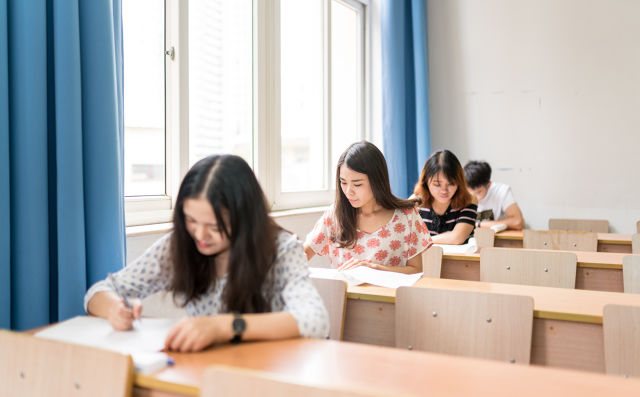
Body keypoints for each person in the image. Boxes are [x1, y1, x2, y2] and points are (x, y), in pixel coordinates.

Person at [85, 155, 329, 352]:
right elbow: (99, 291)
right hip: (205, 375)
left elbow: (315, 320)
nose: (200, 235)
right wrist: (115, 309)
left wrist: (225, 326)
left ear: (244, 219)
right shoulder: (181, 245)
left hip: (267, 376)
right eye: (191, 220)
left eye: (214, 226)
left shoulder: (280, 249)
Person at [305, 141, 432, 274]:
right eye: (343, 182)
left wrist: (374, 269)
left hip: (388, 294)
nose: (348, 191)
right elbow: (303, 255)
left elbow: (416, 271)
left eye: (357, 184)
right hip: (344, 294)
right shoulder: (334, 215)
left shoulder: (407, 216)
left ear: (377, 180)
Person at [414, 150, 477, 244]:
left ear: (459, 182)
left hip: (459, 258)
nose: (444, 191)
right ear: (426, 182)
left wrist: (422, 241)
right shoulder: (416, 201)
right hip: (427, 258)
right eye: (437, 184)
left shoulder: (468, 199)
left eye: (451, 183)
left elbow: (457, 238)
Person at [463, 160, 524, 231]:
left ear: (488, 185)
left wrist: (478, 225)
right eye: (469, 193)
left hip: (497, 237)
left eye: (478, 192)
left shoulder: (501, 191)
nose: (473, 198)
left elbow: (518, 222)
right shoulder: (461, 192)